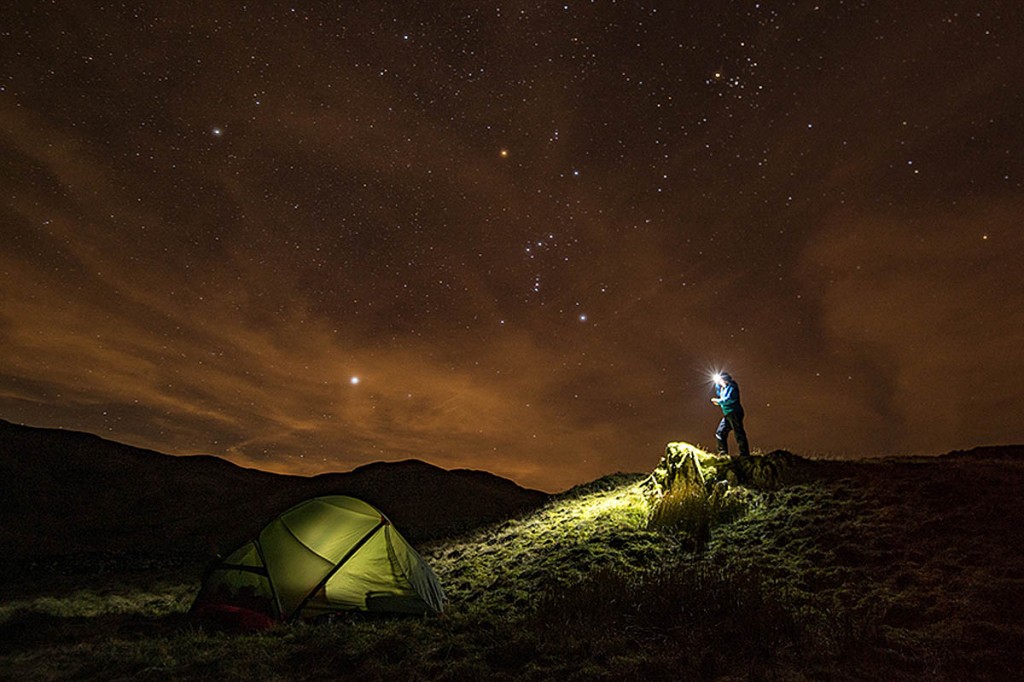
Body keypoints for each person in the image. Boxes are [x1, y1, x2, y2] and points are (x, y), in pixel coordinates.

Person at [711, 372, 750, 457]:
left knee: (738, 433)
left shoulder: (732, 387)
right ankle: (723, 454)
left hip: (734, 412)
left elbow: (730, 399)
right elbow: (719, 394)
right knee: (720, 433)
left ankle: (744, 454)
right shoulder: (722, 389)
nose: (719, 382)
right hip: (727, 414)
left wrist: (718, 401)